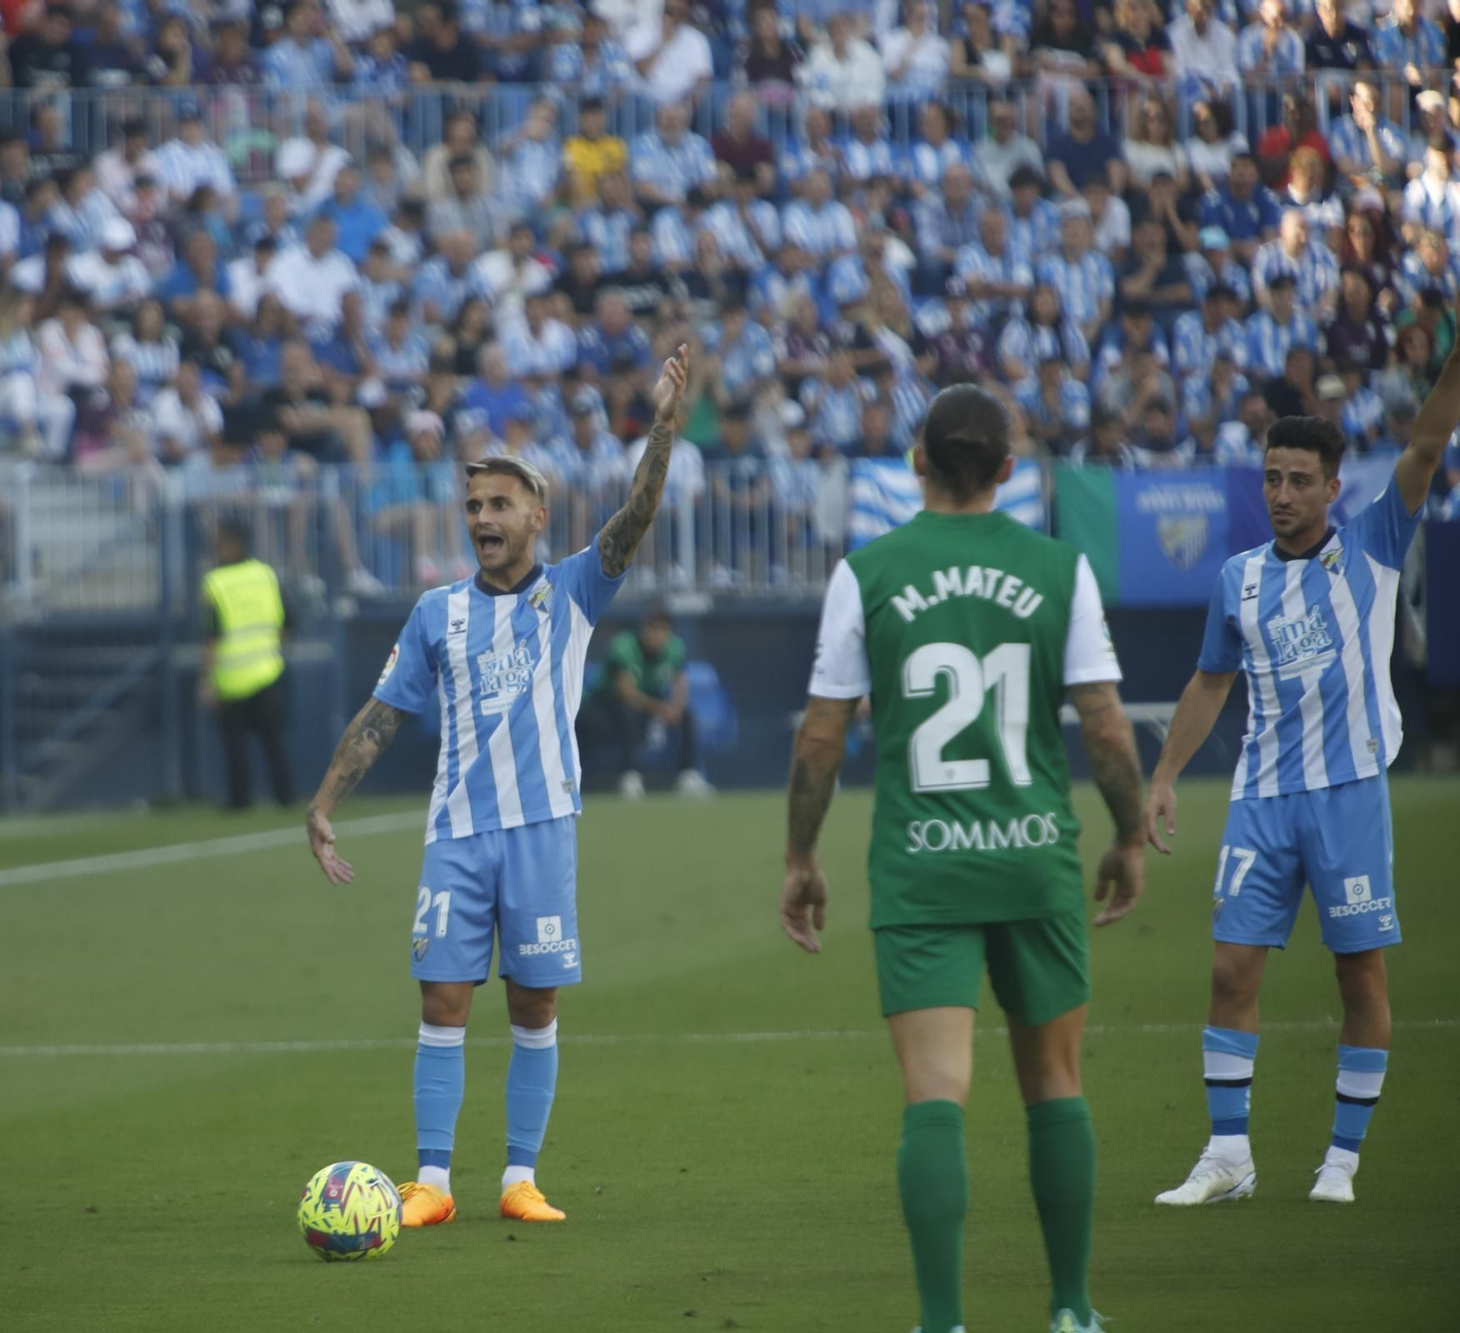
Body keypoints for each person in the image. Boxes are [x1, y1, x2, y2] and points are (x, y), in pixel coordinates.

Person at [780, 385, 1145, 1333]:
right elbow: (1106, 729)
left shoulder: (869, 571)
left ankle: (941, 1322)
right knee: (1057, 1083)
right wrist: (1130, 835)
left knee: (932, 1092)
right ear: (1011, 472)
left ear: (915, 462)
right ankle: (1071, 1308)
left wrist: (801, 856)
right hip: (1033, 858)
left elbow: (820, 740)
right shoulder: (1060, 568)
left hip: (920, 864)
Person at [303, 348, 691, 1230]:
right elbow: (382, 712)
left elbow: (638, 512)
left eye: (500, 503)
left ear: (535, 516)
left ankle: (519, 1177)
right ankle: (433, 1182)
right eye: (474, 504)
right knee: (441, 1000)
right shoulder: (436, 611)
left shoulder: (574, 592)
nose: (483, 516)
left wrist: (663, 424)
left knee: (533, 1002)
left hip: (543, 829)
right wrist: (325, 803)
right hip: (458, 834)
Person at [1144, 344, 1460, 1208]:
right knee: (1229, 971)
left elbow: (1427, 444)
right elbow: (1211, 680)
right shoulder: (1237, 580)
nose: (1281, 494)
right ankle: (1228, 1156)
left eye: (1298, 480)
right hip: (1260, 799)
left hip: (1351, 793)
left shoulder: (1374, 547)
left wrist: (1455, 365)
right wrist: (1166, 772)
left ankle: (1342, 1161)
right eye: (1272, 478)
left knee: (1359, 975)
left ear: (1332, 489)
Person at [200, 521, 295, 811]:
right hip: (268, 669)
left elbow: (212, 636)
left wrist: (206, 678)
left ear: (233, 543)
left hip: (231, 677)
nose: (215, 548)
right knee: (274, 743)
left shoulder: (215, 583)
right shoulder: (265, 575)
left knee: (235, 746)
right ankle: (286, 797)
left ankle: (239, 802)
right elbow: (287, 622)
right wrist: (271, 651)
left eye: (219, 541)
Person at [587, 604, 711, 799]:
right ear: (644, 629)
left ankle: (688, 774)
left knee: (686, 715)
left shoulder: (675, 647)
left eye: (662, 630)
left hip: (650, 701)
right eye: (652, 628)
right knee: (626, 713)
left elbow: (680, 684)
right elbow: (626, 693)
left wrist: (675, 707)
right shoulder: (624, 646)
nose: (657, 635)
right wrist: (661, 708)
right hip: (605, 705)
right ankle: (629, 775)